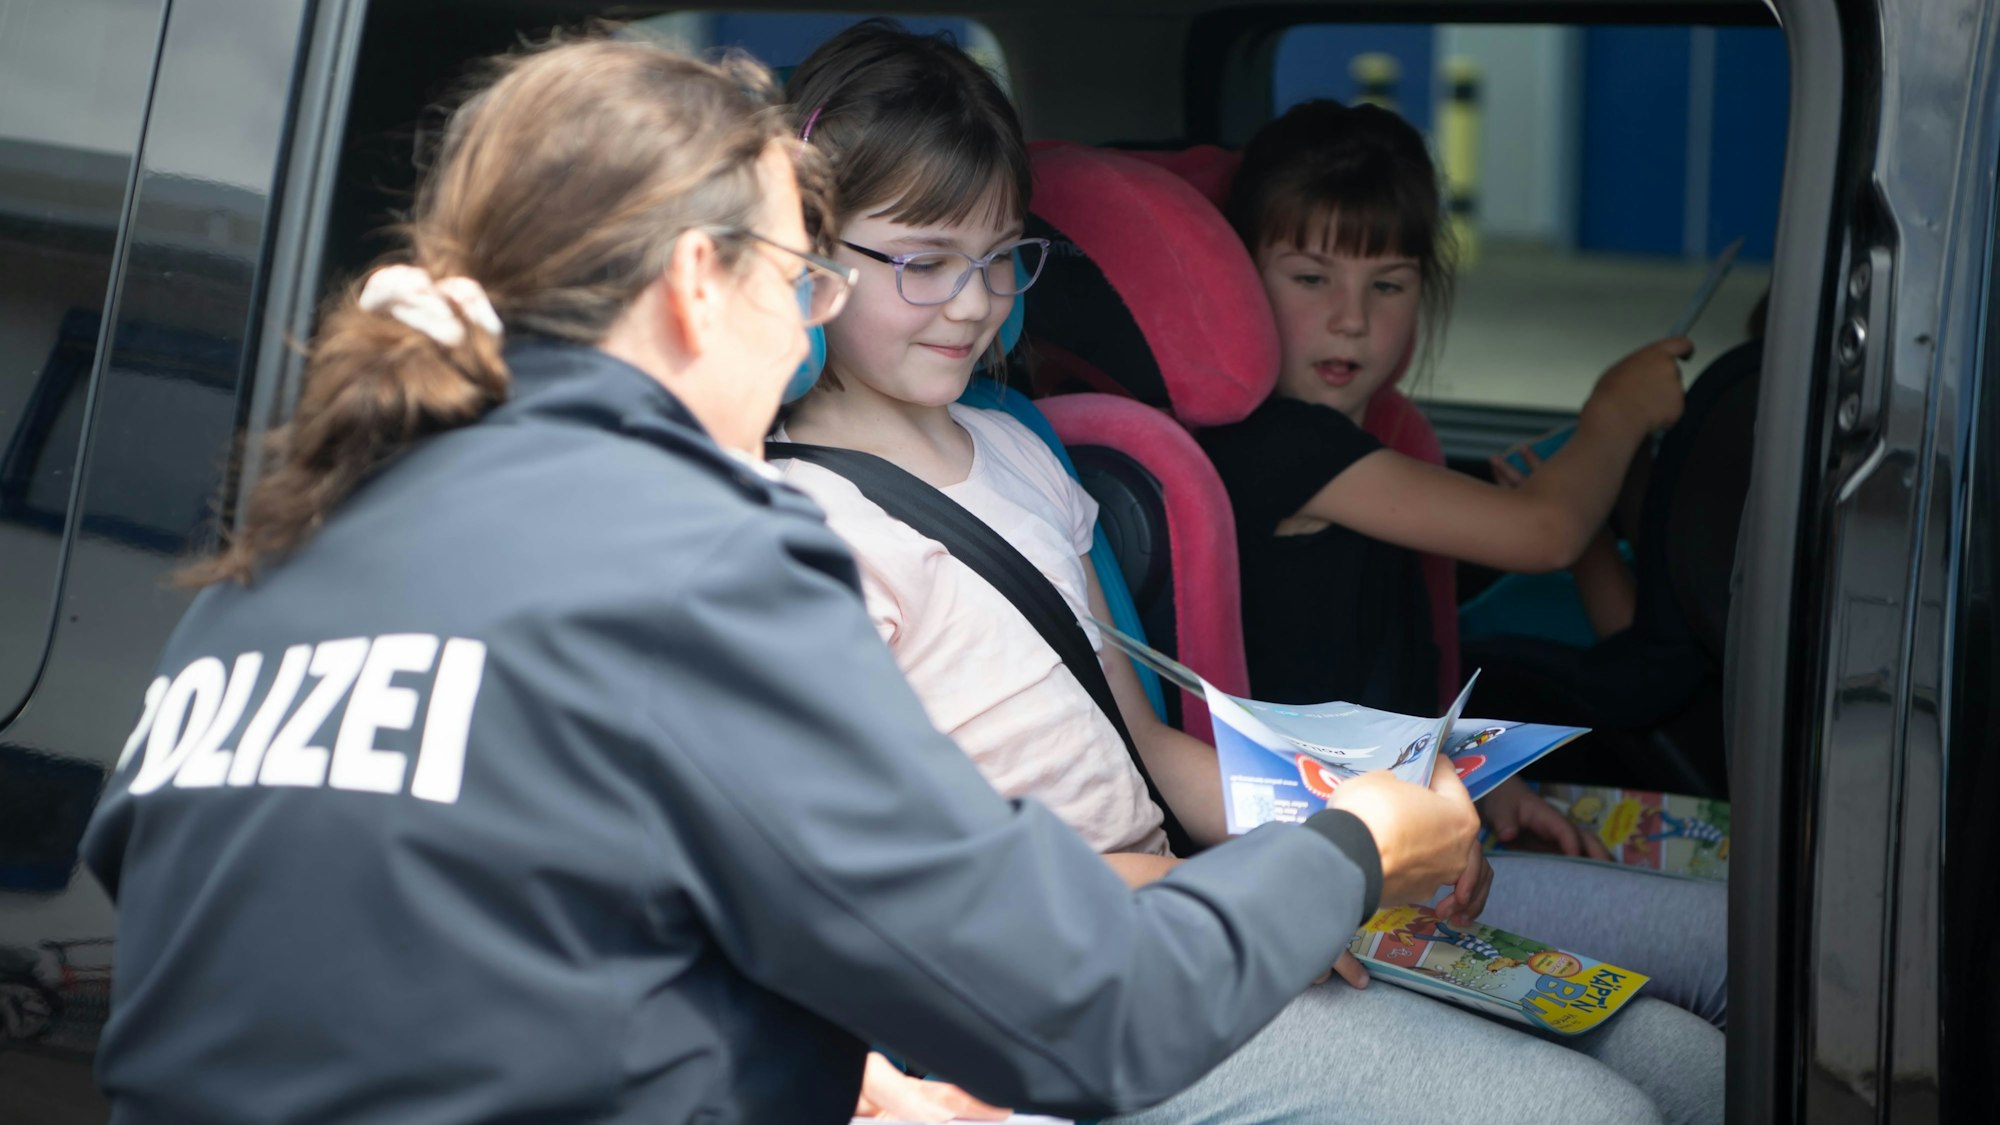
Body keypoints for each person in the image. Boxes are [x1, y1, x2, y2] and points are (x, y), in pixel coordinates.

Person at [77, 35, 1485, 1124]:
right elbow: (1088, 1012)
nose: (814, 315)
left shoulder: (281, 558)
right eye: (799, 272)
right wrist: (1357, 844)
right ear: (700, 282)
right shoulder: (693, 564)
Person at [770, 21, 1722, 1125]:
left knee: (1684, 1066)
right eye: (925, 261)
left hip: (1176, 907)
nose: (975, 301)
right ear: (807, 254)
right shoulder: (797, 524)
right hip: (1042, 980)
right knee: (1591, 1116)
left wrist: (1357, 819)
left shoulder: (1020, 452)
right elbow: (923, 888)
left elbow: (1152, 754)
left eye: (997, 256)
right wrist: (1268, 901)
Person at [1202, 92, 1728, 1016]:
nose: (1352, 319)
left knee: (1749, 872)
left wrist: (1489, 782)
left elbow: (1372, 675)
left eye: (1389, 285)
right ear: (1241, 279)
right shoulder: (1277, 448)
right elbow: (1542, 534)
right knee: (1742, 945)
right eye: (1311, 278)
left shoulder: (1363, 442)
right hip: (1351, 869)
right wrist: (1616, 409)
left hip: (1418, 815)